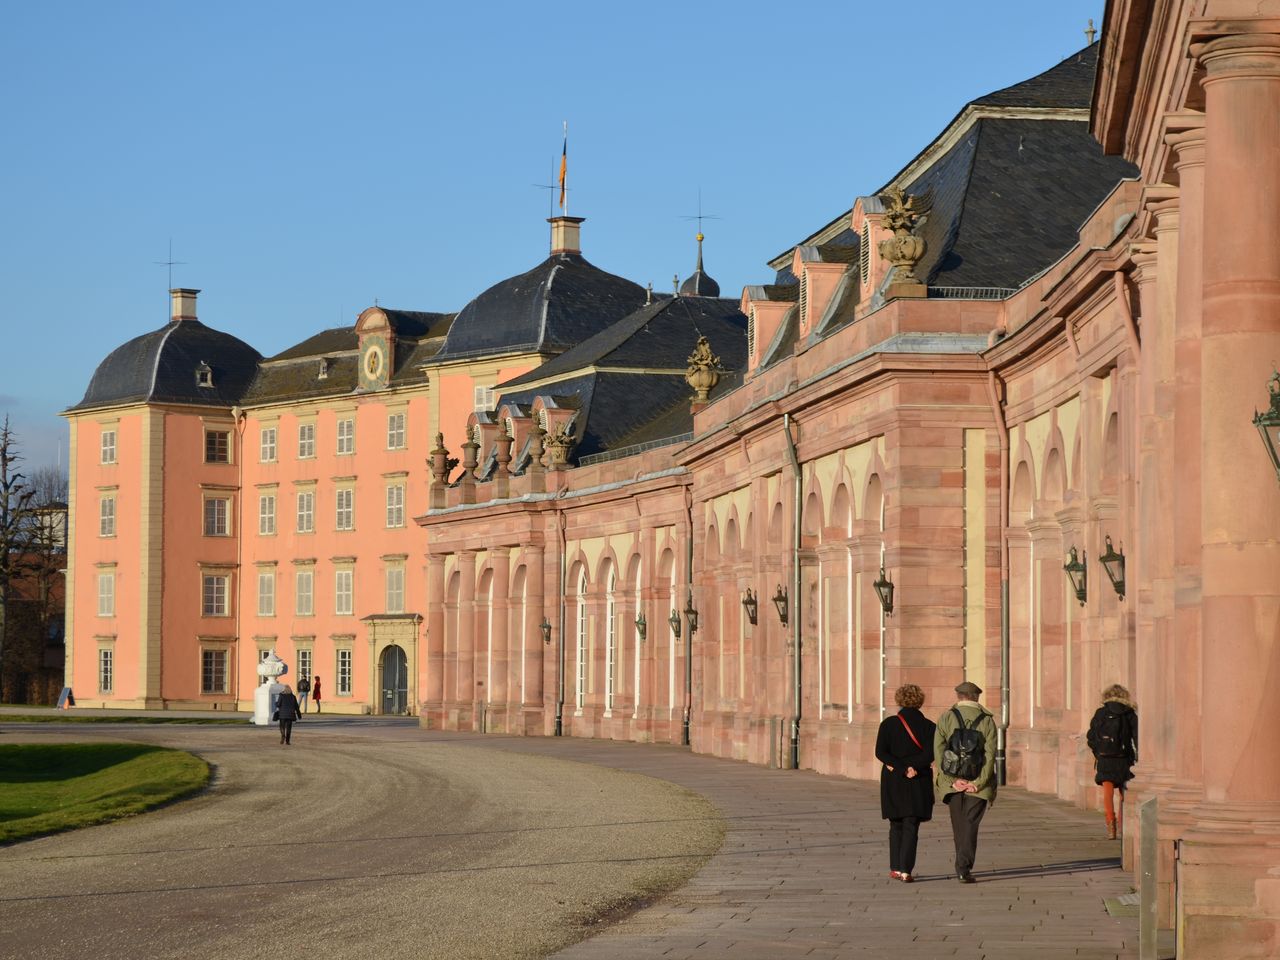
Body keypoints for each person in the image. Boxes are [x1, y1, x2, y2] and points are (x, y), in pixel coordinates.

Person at [934, 680, 997, 883]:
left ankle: (962, 865)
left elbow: (939, 751)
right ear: (976, 697)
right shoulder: (987, 721)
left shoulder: (946, 717)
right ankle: (963, 867)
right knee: (971, 824)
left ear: (959, 697)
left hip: (953, 783)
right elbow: (990, 755)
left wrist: (952, 780)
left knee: (959, 825)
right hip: (978, 783)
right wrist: (979, 782)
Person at [875, 683, 936, 882]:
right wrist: (913, 767)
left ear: (899, 700)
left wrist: (901, 768)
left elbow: (881, 752)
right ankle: (906, 869)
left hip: (894, 780)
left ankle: (895, 867)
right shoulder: (929, 726)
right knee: (912, 824)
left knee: (896, 824)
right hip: (918, 780)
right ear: (920, 701)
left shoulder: (888, 724)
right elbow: (930, 753)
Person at [1086, 684, 1138, 840]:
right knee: (1124, 793)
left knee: (1108, 794)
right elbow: (1137, 736)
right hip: (1123, 758)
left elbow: (1091, 737)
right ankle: (1124, 825)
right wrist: (1137, 756)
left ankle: (1111, 826)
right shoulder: (1129, 714)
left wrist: (1098, 752)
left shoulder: (1101, 713)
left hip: (1105, 758)